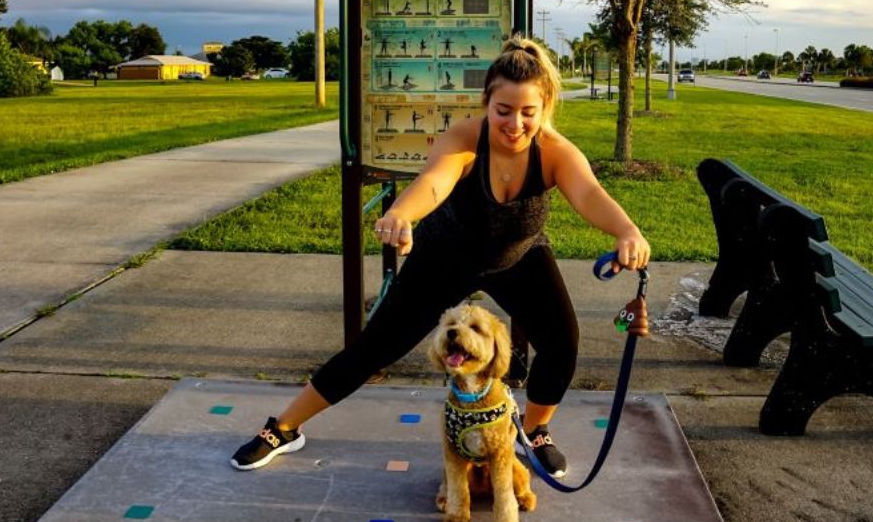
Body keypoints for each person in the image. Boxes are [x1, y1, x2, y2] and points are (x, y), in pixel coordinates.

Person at [231, 37, 651, 476]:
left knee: (563, 344)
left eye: (528, 112)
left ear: (543, 108)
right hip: (444, 256)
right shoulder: (465, 138)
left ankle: (532, 430)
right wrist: (400, 214)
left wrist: (628, 231)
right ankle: (283, 427)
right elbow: (433, 182)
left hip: (519, 258)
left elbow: (590, 194)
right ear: (486, 102)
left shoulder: (555, 152)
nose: (515, 124)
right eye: (503, 110)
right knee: (375, 347)